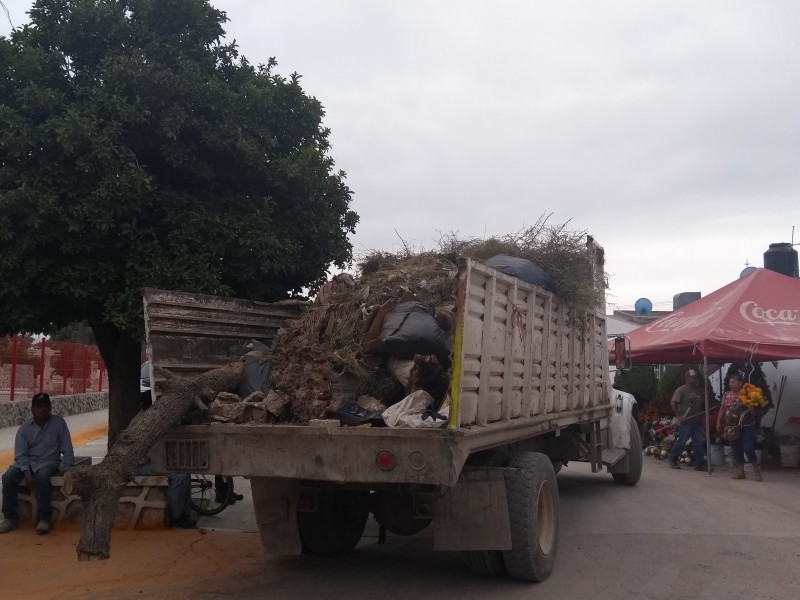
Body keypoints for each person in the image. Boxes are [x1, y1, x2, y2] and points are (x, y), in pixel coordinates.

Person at [1, 393, 74, 534]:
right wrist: (26, 472)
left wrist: (68, 468)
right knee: (7, 477)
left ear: (50, 407)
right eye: (39, 406)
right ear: (32, 409)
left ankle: (43, 519)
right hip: (27, 462)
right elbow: (20, 455)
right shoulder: (25, 428)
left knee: (43, 477)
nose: (43, 409)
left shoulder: (59, 423)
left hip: (49, 461)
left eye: (46, 405)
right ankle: (10, 519)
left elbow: (67, 448)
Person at [717, 372, 763, 481]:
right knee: (737, 449)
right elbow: (722, 409)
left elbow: (756, 411)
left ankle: (757, 472)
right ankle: (741, 473)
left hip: (747, 425)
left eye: (733, 382)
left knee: (748, 448)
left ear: (740, 383)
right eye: (730, 382)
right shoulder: (726, 395)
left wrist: (752, 411)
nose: (731, 384)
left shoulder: (748, 394)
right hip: (732, 427)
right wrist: (719, 422)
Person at [668, 369, 707, 470]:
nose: (696, 380)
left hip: (696, 422)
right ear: (687, 379)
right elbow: (673, 402)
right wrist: (678, 416)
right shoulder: (681, 389)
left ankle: (699, 464)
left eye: (696, 378)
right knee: (681, 442)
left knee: (698, 443)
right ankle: (672, 459)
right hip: (686, 422)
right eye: (693, 378)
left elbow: (701, 404)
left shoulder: (699, 390)